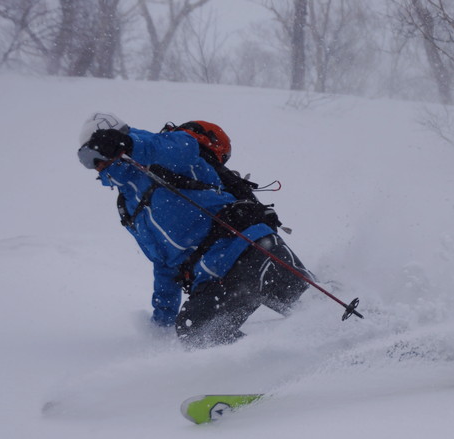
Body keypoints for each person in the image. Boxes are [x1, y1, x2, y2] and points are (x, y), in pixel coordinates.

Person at [77, 112, 312, 347]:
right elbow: (165, 264)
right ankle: (275, 367)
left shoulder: (161, 151)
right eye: (87, 159)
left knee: (316, 307)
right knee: (194, 332)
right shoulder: (129, 206)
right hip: (214, 281)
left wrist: (131, 144)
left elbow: (185, 148)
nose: (96, 165)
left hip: (249, 249)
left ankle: (341, 336)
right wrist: (161, 326)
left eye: (96, 153)